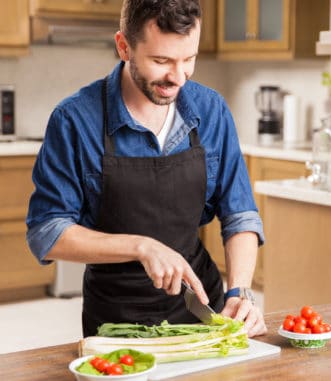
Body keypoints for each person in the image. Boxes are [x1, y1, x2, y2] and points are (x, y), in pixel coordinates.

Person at [26, 0, 267, 338]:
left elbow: (240, 214)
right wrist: (141, 246)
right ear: (124, 47)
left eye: (189, 59)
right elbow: (46, 232)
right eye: (161, 61)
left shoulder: (211, 110)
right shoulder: (74, 120)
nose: (178, 76)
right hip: (117, 318)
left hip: (202, 308)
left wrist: (239, 292)